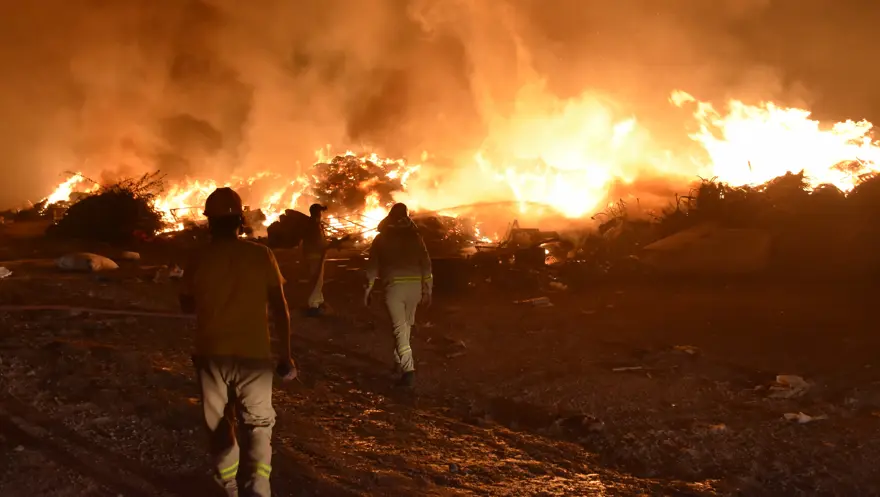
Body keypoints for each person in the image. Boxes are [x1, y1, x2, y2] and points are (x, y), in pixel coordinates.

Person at [179, 187, 297, 497]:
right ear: (240, 221)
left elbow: (186, 305)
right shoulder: (261, 255)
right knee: (258, 427)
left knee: (220, 425)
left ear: (208, 223)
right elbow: (281, 309)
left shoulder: (198, 258)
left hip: (211, 355)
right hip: (254, 357)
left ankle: (227, 489)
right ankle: (258, 490)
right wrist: (286, 355)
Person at [364, 203, 432, 387]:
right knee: (405, 327)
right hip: (414, 289)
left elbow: (371, 268)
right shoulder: (416, 238)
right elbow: (426, 264)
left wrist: (368, 289)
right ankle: (398, 361)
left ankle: (409, 370)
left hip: (394, 289)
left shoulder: (381, 239)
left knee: (399, 329)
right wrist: (428, 289)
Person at [302, 203, 328, 317]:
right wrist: (330, 245)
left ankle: (318, 301)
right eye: (321, 212)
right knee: (316, 280)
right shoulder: (313, 225)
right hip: (315, 256)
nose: (322, 214)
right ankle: (313, 306)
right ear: (317, 213)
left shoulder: (314, 224)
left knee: (318, 280)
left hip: (316, 256)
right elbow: (318, 242)